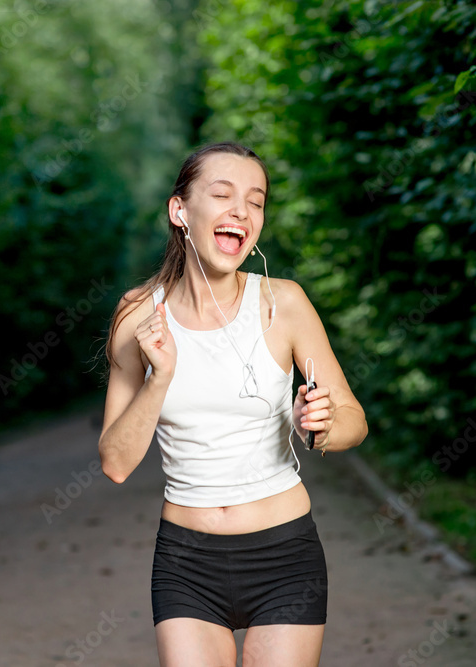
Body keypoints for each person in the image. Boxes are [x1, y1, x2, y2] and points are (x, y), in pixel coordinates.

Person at [97, 141, 368, 666]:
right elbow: (115, 463)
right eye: (222, 195)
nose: (242, 212)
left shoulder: (283, 302)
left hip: (285, 554)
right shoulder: (137, 315)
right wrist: (160, 378)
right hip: (185, 561)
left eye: (256, 200)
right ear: (180, 211)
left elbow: (353, 420)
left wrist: (324, 425)